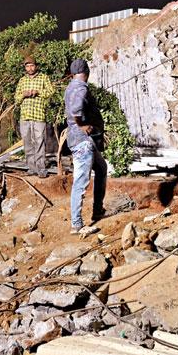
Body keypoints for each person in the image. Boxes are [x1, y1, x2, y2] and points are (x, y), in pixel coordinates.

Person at [64, 59, 105, 234]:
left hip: (86, 142)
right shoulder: (80, 87)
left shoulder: (71, 86)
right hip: (82, 142)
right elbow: (75, 111)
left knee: (102, 168)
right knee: (80, 181)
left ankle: (97, 210)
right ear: (87, 71)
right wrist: (81, 124)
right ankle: (76, 224)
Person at [13, 56, 55, 177]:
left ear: (36, 66)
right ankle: (31, 168)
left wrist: (38, 92)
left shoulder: (43, 78)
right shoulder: (22, 81)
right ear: (25, 67)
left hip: (39, 115)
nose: (30, 68)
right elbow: (16, 99)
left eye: (32, 65)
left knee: (39, 141)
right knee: (27, 142)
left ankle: (41, 169)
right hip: (25, 116)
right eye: (27, 66)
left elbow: (51, 92)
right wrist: (23, 95)